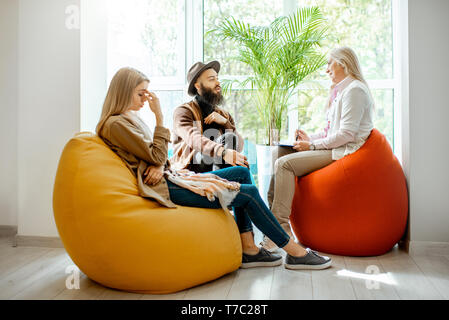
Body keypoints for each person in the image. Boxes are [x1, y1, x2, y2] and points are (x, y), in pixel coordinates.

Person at [96, 67, 332, 270]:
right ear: (197, 85)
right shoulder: (122, 122)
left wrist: (226, 124)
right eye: (140, 93)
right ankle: (295, 252)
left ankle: (249, 249)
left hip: (172, 177)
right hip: (171, 184)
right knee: (247, 192)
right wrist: (159, 118)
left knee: (241, 172)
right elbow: (186, 142)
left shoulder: (131, 120)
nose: (145, 99)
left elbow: (153, 155)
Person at [262, 47, 375, 252]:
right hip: (334, 146)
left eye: (329, 63)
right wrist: (309, 138)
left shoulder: (355, 90)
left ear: (343, 63)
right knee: (279, 152)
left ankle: (282, 230)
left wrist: (312, 146)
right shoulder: (341, 91)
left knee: (284, 164)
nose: (326, 69)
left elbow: (347, 135)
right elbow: (329, 131)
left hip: (345, 151)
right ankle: (271, 224)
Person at [171, 61, 248, 173]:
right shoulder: (184, 111)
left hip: (218, 167)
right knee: (209, 155)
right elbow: (193, 138)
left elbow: (239, 146)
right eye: (212, 79)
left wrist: (226, 123)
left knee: (230, 138)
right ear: (198, 86)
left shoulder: (224, 115)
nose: (218, 83)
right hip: (191, 167)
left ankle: (222, 183)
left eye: (217, 78)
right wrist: (222, 152)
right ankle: (223, 184)